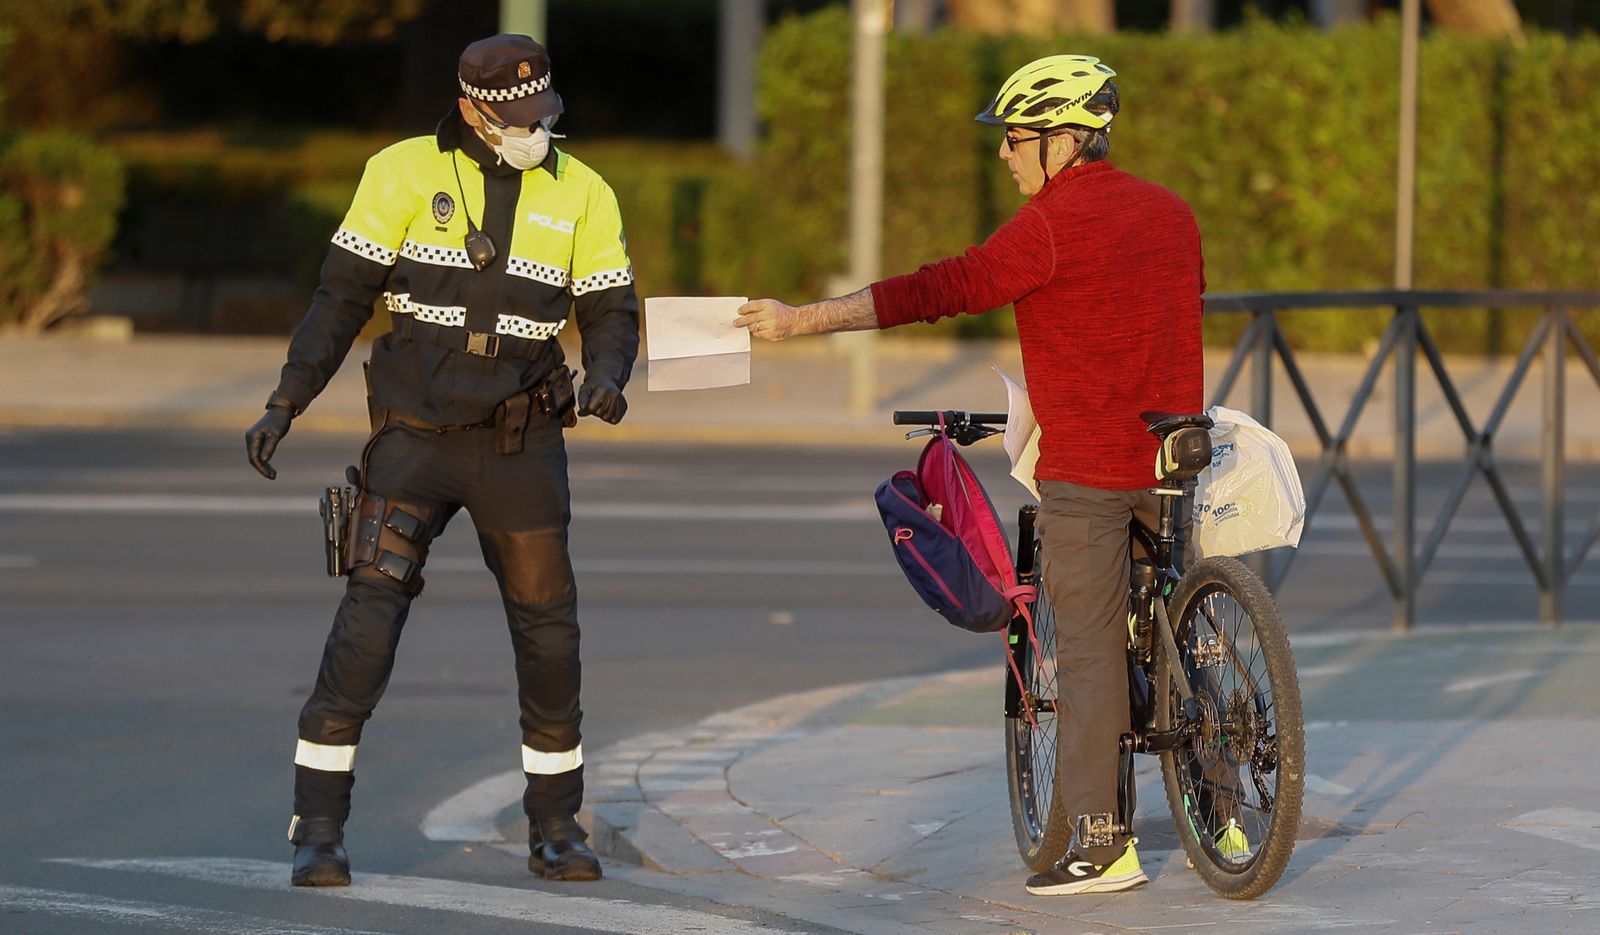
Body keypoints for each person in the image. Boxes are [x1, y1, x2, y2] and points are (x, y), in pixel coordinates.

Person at [735, 55, 1207, 896]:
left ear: (1066, 139)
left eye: (1017, 138)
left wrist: (805, 319)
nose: (1005, 155)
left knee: (1091, 651)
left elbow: (940, 288)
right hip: (1176, 456)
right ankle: (1226, 802)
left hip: (1091, 468)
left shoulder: (1049, 227)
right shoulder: (1174, 214)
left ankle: (1102, 842)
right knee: (1182, 628)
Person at [244, 34, 638, 886]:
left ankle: (557, 824)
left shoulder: (584, 191)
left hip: (520, 441)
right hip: (414, 437)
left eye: (544, 112)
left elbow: (612, 310)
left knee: (548, 630)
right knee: (368, 619)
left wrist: (608, 375)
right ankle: (318, 822)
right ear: (471, 109)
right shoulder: (399, 173)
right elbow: (340, 299)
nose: (535, 129)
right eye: (516, 116)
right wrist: (287, 399)